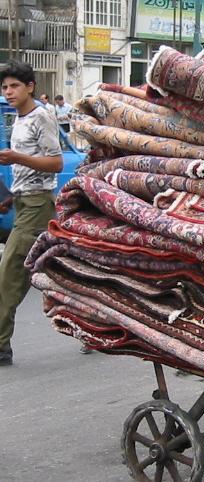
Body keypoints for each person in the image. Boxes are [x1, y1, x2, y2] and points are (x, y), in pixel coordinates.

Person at [0, 60, 64, 366]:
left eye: (14, 86)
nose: (8, 91)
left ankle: (1, 345)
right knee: (55, 271)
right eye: (4, 87)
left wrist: (16, 157)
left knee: (9, 274)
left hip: (38, 206)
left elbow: (56, 164)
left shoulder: (42, 117)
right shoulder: (19, 119)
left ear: (30, 87)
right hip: (25, 202)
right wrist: (12, 195)